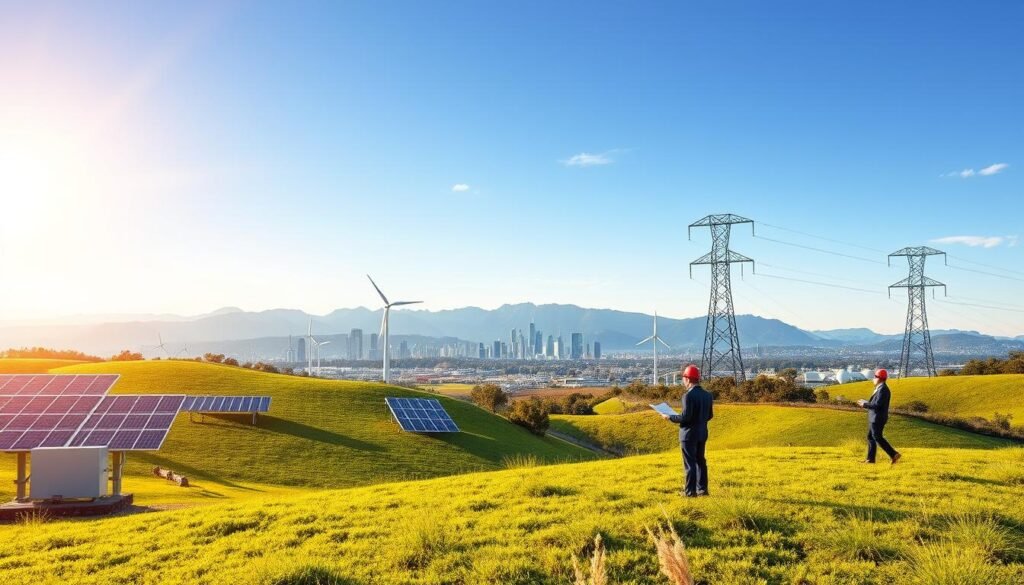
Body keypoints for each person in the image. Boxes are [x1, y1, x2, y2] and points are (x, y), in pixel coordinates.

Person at [660, 364, 713, 497]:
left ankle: (690, 492)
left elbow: (685, 417)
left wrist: (669, 417)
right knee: (701, 461)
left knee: (689, 463)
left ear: (688, 379)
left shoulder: (688, 396)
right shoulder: (708, 395)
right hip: (702, 433)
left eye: (683, 378)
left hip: (689, 435)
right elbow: (710, 415)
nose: (683, 381)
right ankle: (702, 490)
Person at [856, 368, 902, 465]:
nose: (873, 379)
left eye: (875, 377)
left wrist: (865, 404)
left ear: (879, 378)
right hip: (875, 417)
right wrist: (867, 403)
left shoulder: (883, 390)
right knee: (871, 437)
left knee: (877, 437)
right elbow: (875, 403)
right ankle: (870, 459)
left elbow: (877, 405)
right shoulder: (880, 388)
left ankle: (894, 454)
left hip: (877, 418)